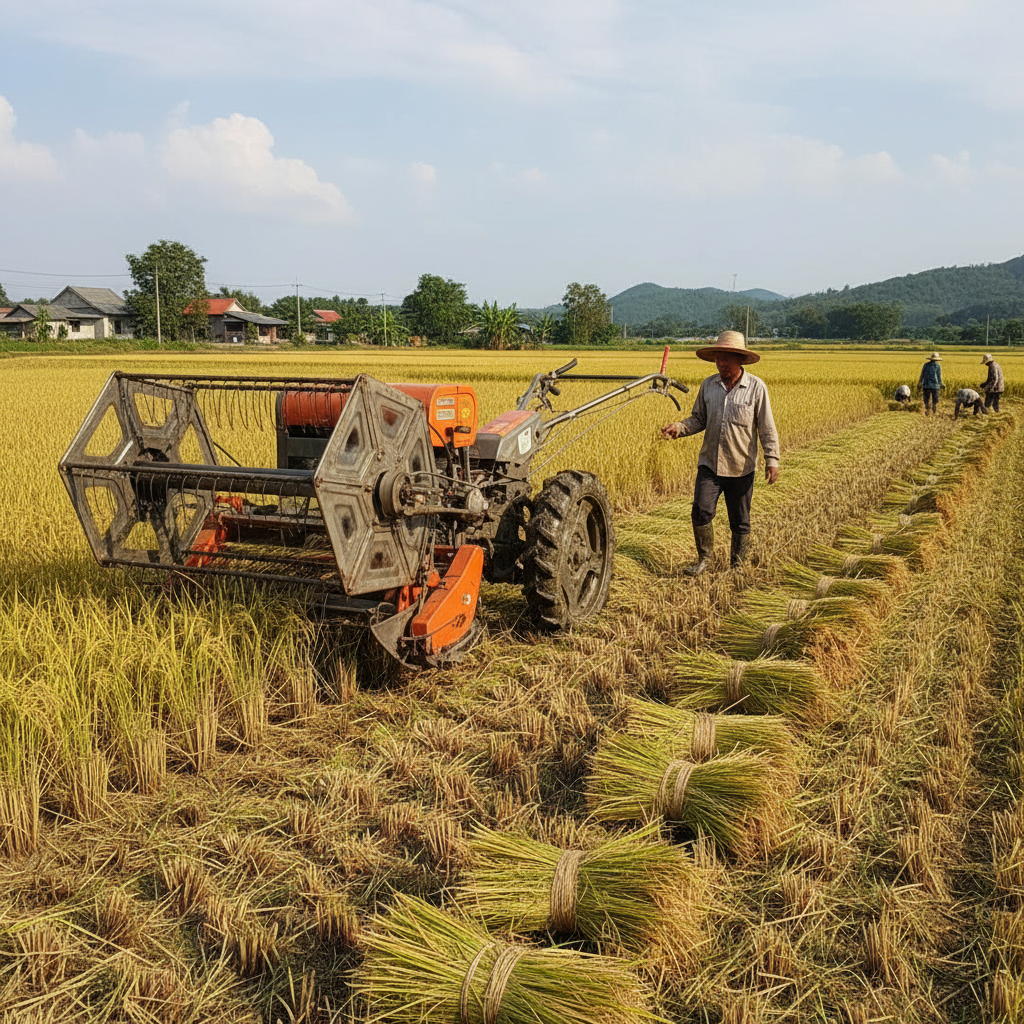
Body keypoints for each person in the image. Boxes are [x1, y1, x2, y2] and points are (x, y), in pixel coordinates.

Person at [661, 330, 779, 574]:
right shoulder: (709, 385)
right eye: (718, 358)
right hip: (710, 464)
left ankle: (737, 565)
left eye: (727, 358)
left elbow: (766, 426)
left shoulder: (756, 388)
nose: (721, 363)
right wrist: (680, 427)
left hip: (741, 466)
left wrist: (772, 459)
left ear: (740, 360)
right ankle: (704, 560)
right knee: (701, 511)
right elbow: (698, 419)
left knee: (740, 520)